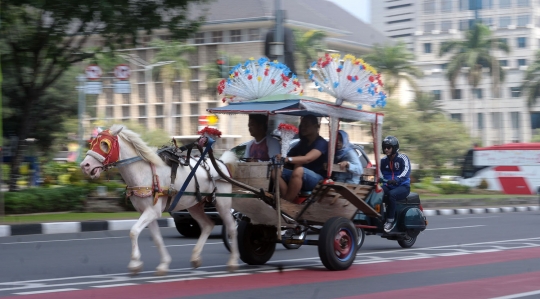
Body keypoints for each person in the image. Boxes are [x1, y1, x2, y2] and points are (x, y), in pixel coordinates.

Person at [279, 114, 328, 203]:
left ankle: (287, 202)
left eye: (306, 124)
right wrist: (281, 157)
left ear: (316, 126)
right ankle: (286, 198)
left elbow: (307, 158)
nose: (303, 127)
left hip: (317, 179)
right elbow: (289, 156)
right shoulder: (302, 143)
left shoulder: (322, 143)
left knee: (299, 170)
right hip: (299, 176)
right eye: (302, 124)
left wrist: (287, 159)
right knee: (275, 170)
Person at [380, 135, 411, 232]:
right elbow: (378, 172)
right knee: (376, 192)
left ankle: (390, 221)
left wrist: (397, 179)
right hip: (388, 185)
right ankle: (378, 217)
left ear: (394, 148)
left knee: (391, 195)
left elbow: (406, 171)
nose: (386, 149)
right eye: (384, 147)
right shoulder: (383, 161)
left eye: (388, 147)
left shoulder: (403, 158)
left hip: (403, 186)